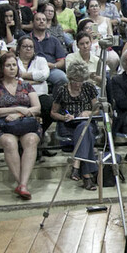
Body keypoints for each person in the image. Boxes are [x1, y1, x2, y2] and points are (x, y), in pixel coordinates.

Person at [0, 51, 44, 200]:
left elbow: (37, 108)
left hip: (26, 123)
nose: (12, 68)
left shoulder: (26, 85)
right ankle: (21, 184)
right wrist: (17, 108)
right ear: (1, 68)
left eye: (14, 65)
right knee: (9, 142)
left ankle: (22, 185)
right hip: (3, 125)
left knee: (31, 140)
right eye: (8, 65)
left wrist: (19, 114)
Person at [52, 61, 101, 190]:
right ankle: (86, 176)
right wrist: (64, 117)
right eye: (75, 80)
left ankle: (77, 165)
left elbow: (97, 110)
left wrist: (88, 112)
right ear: (70, 78)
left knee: (84, 126)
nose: (78, 84)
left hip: (87, 123)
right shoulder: (62, 90)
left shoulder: (89, 87)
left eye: (81, 80)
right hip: (69, 126)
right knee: (85, 132)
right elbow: (53, 113)